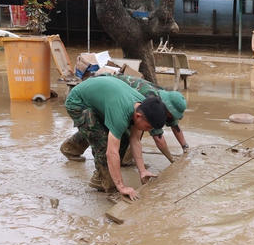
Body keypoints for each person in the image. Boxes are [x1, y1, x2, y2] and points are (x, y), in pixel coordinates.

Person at [64, 75, 167, 200]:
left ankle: (71, 148)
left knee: (123, 136)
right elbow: (111, 153)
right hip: (78, 102)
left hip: (100, 98)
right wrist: (121, 187)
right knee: (102, 141)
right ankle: (107, 186)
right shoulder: (121, 114)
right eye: (148, 127)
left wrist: (142, 170)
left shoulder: (141, 105)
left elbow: (134, 140)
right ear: (139, 116)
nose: (149, 130)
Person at [61, 75, 189, 165]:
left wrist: (185, 147)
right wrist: (172, 159)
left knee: (122, 131)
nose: (170, 118)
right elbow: (157, 136)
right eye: (169, 115)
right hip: (102, 94)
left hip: (115, 98)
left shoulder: (165, 101)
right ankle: (72, 149)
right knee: (101, 132)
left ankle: (120, 161)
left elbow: (174, 124)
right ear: (167, 108)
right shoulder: (149, 101)